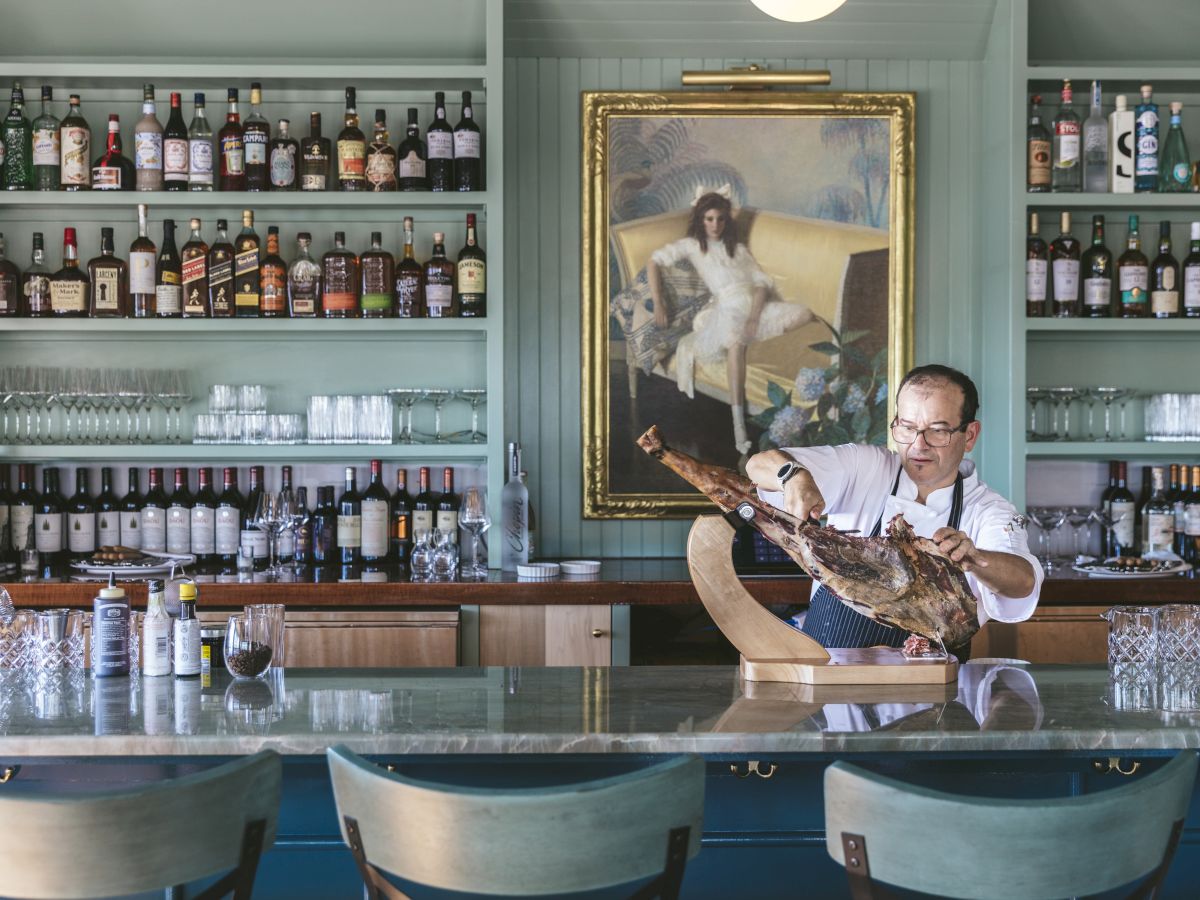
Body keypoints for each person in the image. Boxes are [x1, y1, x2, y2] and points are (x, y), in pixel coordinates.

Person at [746, 364, 1041, 654]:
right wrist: (792, 475)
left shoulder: (987, 508)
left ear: (970, 435)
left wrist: (975, 558)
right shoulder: (864, 468)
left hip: (934, 696)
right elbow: (757, 465)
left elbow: (1023, 581)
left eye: (937, 432)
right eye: (907, 428)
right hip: (830, 688)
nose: (918, 445)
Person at [647, 187, 814, 455]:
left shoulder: (738, 249)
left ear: (727, 221)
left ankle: (753, 334)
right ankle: (739, 425)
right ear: (701, 220)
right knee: (736, 342)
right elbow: (654, 260)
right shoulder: (692, 245)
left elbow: (760, 284)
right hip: (726, 309)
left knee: (803, 313)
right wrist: (658, 301)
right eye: (709, 219)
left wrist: (754, 318)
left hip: (754, 308)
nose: (715, 225)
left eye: (721, 219)